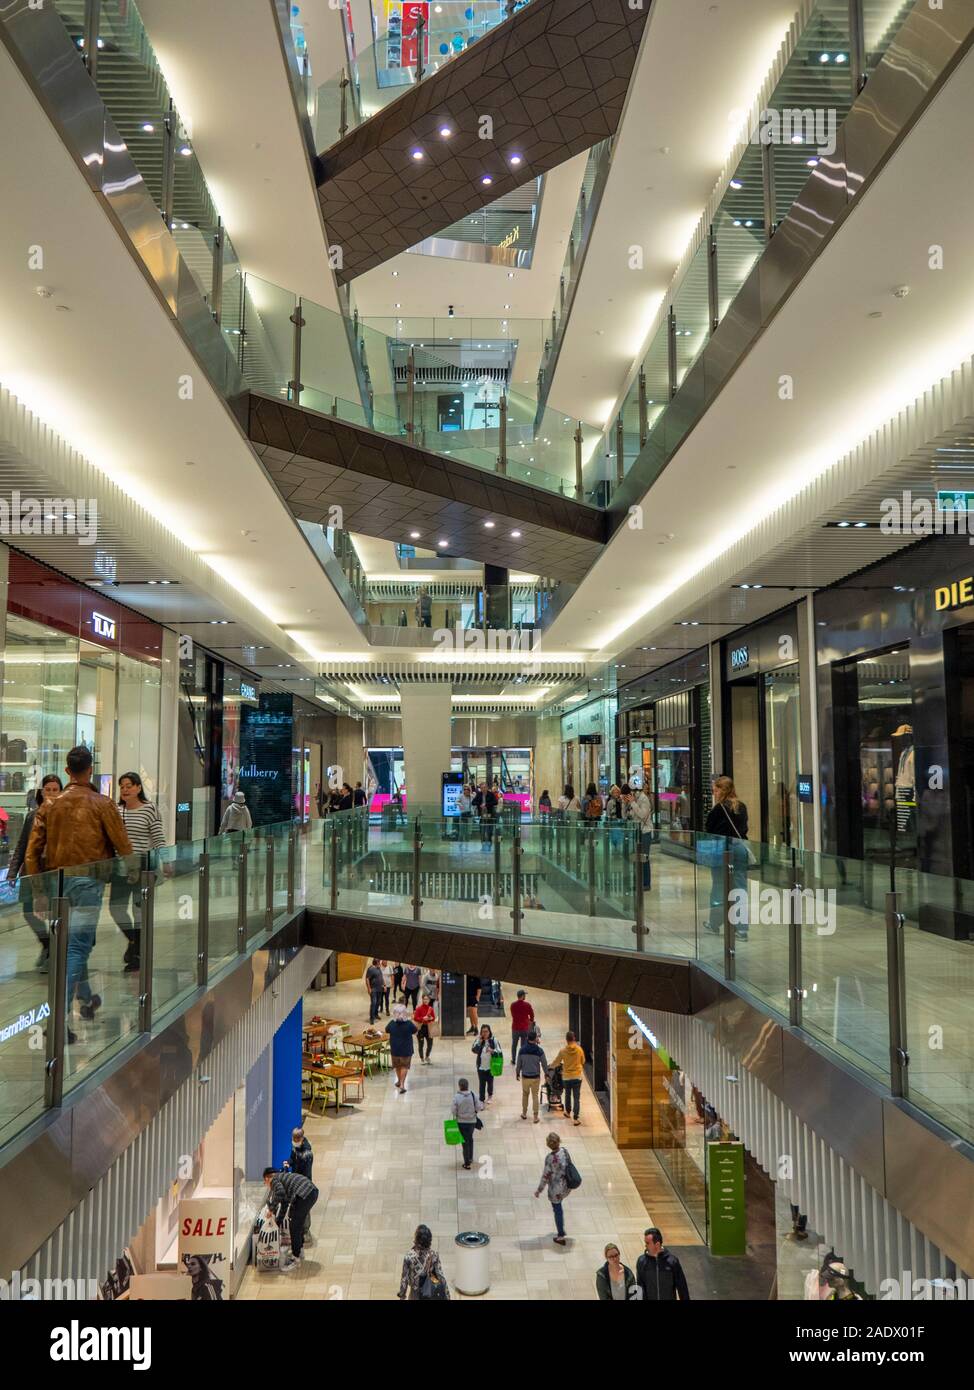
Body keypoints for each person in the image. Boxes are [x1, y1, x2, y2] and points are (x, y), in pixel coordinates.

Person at [26, 746, 133, 1042]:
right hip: (88, 883)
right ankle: (58, 1020)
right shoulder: (102, 804)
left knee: (73, 942)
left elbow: (32, 853)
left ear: (67, 770)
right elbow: (123, 845)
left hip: (57, 883)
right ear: (90, 769)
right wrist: (136, 875)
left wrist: (38, 891)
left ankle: (86, 998)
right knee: (77, 947)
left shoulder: (49, 806)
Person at [109, 771, 166, 975]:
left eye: (129, 786)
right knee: (116, 907)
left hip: (143, 866)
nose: (125, 790)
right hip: (121, 868)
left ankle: (138, 955)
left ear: (138, 788)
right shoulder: (116, 810)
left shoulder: (149, 809)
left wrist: (165, 860)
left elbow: (158, 837)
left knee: (139, 911)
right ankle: (134, 941)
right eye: (122, 786)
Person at [8, 774, 63, 971]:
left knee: (54, 911)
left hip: (55, 870)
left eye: (55, 789)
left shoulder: (65, 814)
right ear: (42, 791)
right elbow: (23, 845)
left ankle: (55, 950)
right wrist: (13, 871)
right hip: (33, 869)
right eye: (48, 789)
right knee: (29, 911)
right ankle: (48, 944)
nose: (51, 793)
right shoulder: (33, 816)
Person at [704, 774, 750, 940]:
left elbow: (709, 829)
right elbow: (744, 829)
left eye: (715, 790)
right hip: (739, 850)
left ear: (722, 791)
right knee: (740, 888)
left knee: (718, 887)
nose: (714, 793)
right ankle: (742, 929)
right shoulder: (741, 807)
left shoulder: (719, 809)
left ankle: (714, 923)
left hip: (721, 851)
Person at [262, 1167, 319, 1262]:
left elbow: (280, 1192)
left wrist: (271, 1209)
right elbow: (284, 1204)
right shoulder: (283, 1179)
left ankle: (295, 1257)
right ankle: (299, 1251)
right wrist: (277, 1223)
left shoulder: (274, 1179)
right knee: (296, 1222)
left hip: (304, 1194)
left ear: (267, 1178)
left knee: (294, 1226)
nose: (267, 1185)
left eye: (265, 1183)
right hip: (311, 1192)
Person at [535, 1131, 571, 1244]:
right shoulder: (565, 1151)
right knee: (559, 1207)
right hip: (565, 1185)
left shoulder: (550, 1158)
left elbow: (546, 1176)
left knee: (557, 1210)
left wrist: (539, 1189)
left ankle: (560, 1234)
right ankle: (561, 1231)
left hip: (555, 1190)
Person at [636, 1227, 690, 1301]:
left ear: (657, 1244)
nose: (645, 1245)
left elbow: (682, 1287)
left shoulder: (672, 1262)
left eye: (647, 1243)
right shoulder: (641, 1262)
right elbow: (640, 1287)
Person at [398, 1224, 450, 1300]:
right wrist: (447, 1296)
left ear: (416, 1239)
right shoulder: (433, 1255)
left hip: (414, 1294)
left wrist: (402, 1296)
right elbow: (441, 1276)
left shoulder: (409, 1257)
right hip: (430, 1292)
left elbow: (404, 1280)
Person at [623, 782, 653, 889]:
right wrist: (626, 805)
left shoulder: (644, 799)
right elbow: (629, 815)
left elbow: (642, 815)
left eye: (632, 792)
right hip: (636, 831)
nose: (631, 795)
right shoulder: (635, 800)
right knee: (636, 858)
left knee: (644, 858)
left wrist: (633, 803)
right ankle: (638, 881)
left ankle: (646, 883)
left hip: (645, 832)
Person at [551, 1031, 585, 1125]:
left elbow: (556, 1062)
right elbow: (583, 1061)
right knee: (576, 1097)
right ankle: (576, 1118)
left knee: (567, 1095)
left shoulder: (563, 1051)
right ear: (574, 1038)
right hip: (577, 1076)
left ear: (566, 1040)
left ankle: (567, 1112)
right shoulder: (579, 1050)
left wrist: (550, 1067)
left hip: (566, 1077)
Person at [451, 1077, 484, 1170]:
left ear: (460, 1086)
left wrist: (458, 1114)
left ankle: (467, 1163)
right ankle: (470, 1157)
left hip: (461, 1122)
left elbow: (453, 1110)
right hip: (472, 1122)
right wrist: (474, 1113)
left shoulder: (457, 1097)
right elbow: (479, 1107)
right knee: (470, 1138)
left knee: (465, 1142)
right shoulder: (473, 1095)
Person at [516, 1029, 548, 1122]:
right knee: (535, 1096)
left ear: (527, 1038)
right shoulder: (539, 1050)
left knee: (525, 1095)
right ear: (535, 1039)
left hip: (525, 1077)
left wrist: (517, 1073)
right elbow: (544, 1063)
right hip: (535, 1077)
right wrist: (546, 1073)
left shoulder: (522, 1050)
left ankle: (524, 1113)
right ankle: (535, 1117)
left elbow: (519, 1063)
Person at [385, 1002, 418, 1093]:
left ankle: (399, 1081)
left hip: (395, 1049)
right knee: (404, 1066)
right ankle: (402, 1084)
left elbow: (386, 1030)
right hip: (406, 1050)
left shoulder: (392, 1023)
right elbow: (415, 1031)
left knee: (397, 1066)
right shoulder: (408, 1024)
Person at [472, 1023, 502, 1104]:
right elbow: (474, 1050)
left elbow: (499, 1051)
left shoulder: (494, 1040)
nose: (485, 1033)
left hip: (490, 1066)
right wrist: (479, 1043)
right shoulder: (479, 1039)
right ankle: (481, 1099)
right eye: (483, 1032)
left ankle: (490, 1096)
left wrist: (492, 1051)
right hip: (481, 1066)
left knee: (490, 1082)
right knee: (481, 1083)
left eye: (486, 1031)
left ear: (489, 1032)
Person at [509, 987, 535, 1065]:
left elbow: (513, 1015)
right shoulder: (527, 1005)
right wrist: (530, 1021)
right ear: (523, 996)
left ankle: (513, 1060)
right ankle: (522, 1060)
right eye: (524, 995)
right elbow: (532, 1015)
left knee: (514, 1045)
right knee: (523, 1045)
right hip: (524, 1028)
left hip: (515, 1028)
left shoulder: (513, 1005)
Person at [414, 992, 436, 1064]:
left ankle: (427, 1056)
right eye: (424, 999)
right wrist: (423, 1018)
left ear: (429, 1000)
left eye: (427, 999)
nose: (426, 1000)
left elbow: (433, 1018)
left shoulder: (431, 1009)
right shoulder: (419, 1009)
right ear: (422, 1000)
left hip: (429, 1027)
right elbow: (415, 1018)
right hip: (421, 1028)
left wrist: (431, 1018)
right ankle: (422, 1058)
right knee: (421, 1044)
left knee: (430, 1044)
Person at [365, 957, 385, 1024]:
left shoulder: (378, 968)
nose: (380, 963)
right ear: (377, 962)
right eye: (379, 962)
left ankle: (376, 1015)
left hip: (380, 989)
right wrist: (369, 989)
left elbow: (381, 977)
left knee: (378, 1002)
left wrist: (384, 985)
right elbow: (367, 979)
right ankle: (371, 1018)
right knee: (373, 1003)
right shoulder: (370, 969)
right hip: (373, 989)